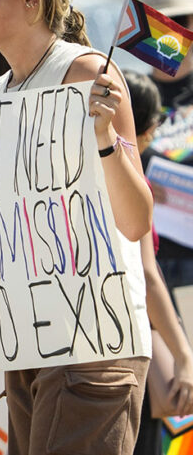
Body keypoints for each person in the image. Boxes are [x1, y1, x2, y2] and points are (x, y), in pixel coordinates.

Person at [0, 0, 153, 454]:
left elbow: (136, 220)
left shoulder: (86, 73)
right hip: (28, 340)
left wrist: (104, 138)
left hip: (93, 341)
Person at [126, 70, 193, 454]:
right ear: (150, 130)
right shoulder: (134, 186)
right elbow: (147, 276)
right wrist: (183, 355)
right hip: (131, 338)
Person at [139, 0, 193, 290]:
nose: (170, 32)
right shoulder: (129, 93)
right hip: (149, 259)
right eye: (158, 23)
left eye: (178, 21)